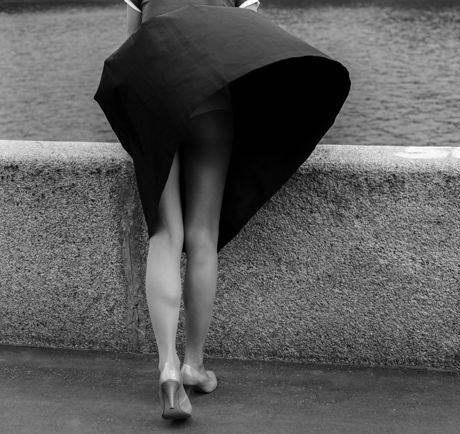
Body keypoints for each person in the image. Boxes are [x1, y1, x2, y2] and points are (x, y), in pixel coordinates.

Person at [93, 0, 350, 421]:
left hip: (157, 104)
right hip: (212, 106)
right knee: (202, 237)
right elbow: (245, 48)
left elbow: (134, 49)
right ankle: (194, 365)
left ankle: (167, 368)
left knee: (165, 234)